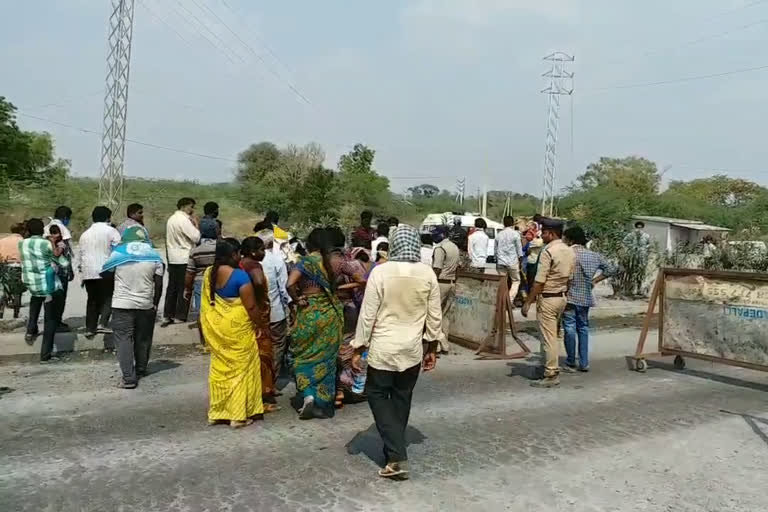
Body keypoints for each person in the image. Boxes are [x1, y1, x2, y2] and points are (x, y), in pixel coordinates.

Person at [351, 224, 442, 480]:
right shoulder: (427, 274)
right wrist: (432, 348)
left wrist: (359, 346)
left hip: (384, 346)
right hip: (411, 348)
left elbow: (368, 314)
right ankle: (394, 452)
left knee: (377, 394)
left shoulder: (381, 273)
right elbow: (434, 317)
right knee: (402, 398)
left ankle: (396, 454)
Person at [200, 240, 265, 428]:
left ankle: (218, 412)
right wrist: (259, 324)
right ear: (233, 254)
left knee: (220, 369)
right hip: (238, 329)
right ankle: (237, 415)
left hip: (218, 329)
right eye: (237, 254)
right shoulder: (240, 276)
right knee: (241, 370)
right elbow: (251, 306)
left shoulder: (208, 273)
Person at [287, 228, 344, 420]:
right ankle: (322, 403)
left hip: (309, 314)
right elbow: (355, 281)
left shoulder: (304, 263)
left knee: (302, 355)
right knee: (327, 357)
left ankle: (308, 393)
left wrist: (297, 299)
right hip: (330, 314)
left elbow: (289, 284)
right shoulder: (335, 262)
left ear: (309, 244)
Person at [101, 226, 164, 388]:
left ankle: (129, 377)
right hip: (145, 304)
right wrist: (155, 302)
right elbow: (158, 283)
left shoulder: (118, 254)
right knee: (143, 338)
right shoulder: (154, 255)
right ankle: (141, 369)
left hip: (121, 304)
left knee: (123, 340)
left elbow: (105, 274)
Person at [521, 218, 575, 388]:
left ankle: (551, 372)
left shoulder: (548, 251)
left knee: (548, 337)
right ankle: (547, 367)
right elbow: (570, 279)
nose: (541, 235)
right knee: (553, 335)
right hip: (561, 297)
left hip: (548, 298)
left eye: (544, 233)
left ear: (551, 233)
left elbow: (539, 281)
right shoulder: (569, 251)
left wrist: (527, 302)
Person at [562, 226, 617, 373]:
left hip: (569, 296)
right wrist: (595, 280)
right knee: (583, 328)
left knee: (569, 328)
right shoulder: (594, 255)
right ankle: (584, 362)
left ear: (570, 239)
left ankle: (571, 361)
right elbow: (611, 269)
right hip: (586, 296)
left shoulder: (567, 253)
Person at [240, 236, 280, 412]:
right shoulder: (254, 265)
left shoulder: (241, 264)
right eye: (262, 250)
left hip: (246, 312)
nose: (264, 253)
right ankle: (264, 394)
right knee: (263, 355)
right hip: (258, 313)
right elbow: (257, 281)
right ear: (253, 251)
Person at [19, 218, 67, 362]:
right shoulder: (46, 244)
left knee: (36, 299)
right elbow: (63, 262)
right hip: (49, 285)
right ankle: (45, 354)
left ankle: (31, 329)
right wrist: (55, 244)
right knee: (50, 320)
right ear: (43, 230)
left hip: (32, 284)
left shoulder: (22, 243)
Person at [79, 206, 121, 339]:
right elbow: (118, 249)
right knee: (108, 297)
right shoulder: (111, 231)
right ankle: (102, 323)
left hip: (88, 270)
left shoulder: (85, 234)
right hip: (105, 269)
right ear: (108, 217)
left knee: (92, 299)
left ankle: (90, 328)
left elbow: (81, 254)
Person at [255, 229, 292, 380]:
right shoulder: (276, 260)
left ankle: (260, 378)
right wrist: (290, 306)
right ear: (271, 243)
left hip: (256, 312)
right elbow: (283, 287)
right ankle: (272, 378)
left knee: (260, 344)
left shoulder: (251, 262)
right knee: (277, 344)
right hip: (276, 311)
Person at [163, 197, 200, 326]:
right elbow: (196, 237)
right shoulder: (184, 220)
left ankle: (168, 314)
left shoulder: (171, 219)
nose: (192, 210)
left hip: (173, 257)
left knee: (172, 288)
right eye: (191, 207)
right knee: (184, 288)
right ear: (184, 206)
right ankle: (180, 315)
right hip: (184, 257)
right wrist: (195, 224)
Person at [431, 225, 460, 354]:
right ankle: (445, 344)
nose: (434, 236)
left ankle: (437, 344)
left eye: (436, 233)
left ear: (442, 234)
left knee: (434, 314)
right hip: (452, 283)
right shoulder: (454, 247)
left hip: (440, 283)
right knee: (445, 315)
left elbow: (437, 268)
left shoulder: (440, 248)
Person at [44, 206, 74, 328]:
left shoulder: (46, 227)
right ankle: (56, 322)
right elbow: (64, 252)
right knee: (60, 297)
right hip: (61, 269)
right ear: (66, 217)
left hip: (47, 268)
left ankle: (49, 321)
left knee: (49, 296)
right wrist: (70, 269)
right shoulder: (63, 229)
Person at [184, 219, 219, 322]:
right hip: (218, 280)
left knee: (201, 309)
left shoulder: (195, 251)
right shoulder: (221, 247)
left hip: (200, 281)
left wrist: (188, 288)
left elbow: (190, 273)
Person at [0, 223, 27, 319]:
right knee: (17, 292)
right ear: (22, 231)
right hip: (19, 267)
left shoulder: (2, 241)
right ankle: (16, 315)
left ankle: (1, 313)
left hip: (5, 267)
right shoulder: (24, 242)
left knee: (3, 291)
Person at [495, 215, 524, 306]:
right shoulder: (516, 234)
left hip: (501, 261)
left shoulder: (499, 234)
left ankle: (501, 300)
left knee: (502, 282)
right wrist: (520, 259)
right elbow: (519, 249)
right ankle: (509, 300)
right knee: (516, 281)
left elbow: (495, 250)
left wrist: (497, 259)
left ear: (504, 223)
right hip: (512, 261)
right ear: (512, 223)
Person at [621, 221, 651, 296]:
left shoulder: (646, 236)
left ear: (642, 228)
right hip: (632, 257)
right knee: (631, 272)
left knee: (640, 273)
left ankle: (639, 289)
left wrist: (644, 249)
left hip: (642, 257)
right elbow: (624, 241)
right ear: (636, 227)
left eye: (640, 227)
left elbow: (649, 244)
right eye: (638, 227)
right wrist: (632, 247)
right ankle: (629, 289)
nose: (639, 229)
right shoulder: (631, 235)